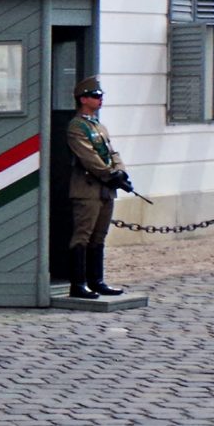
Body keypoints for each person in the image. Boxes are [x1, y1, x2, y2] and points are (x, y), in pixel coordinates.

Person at [61, 76, 133, 298]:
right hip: (87, 188)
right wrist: (110, 174)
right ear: (83, 99)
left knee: (99, 235)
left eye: (100, 96)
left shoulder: (98, 126)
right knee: (83, 236)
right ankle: (78, 283)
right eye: (95, 96)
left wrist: (120, 171)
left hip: (105, 189)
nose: (100, 99)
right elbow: (88, 156)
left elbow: (112, 152)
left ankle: (97, 280)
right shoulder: (77, 126)